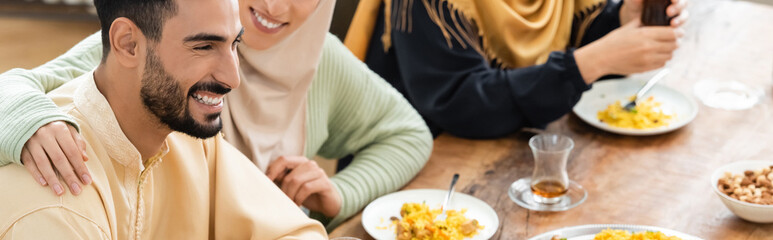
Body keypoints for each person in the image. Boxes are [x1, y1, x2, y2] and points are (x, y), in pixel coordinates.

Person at [0, 0, 432, 230]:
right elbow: (25, 83)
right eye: (205, 46)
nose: (275, 6)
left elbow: (409, 134)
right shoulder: (146, 47)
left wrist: (341, 193)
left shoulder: (321, 61)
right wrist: (28, 116)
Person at [344, 0, 688, 138]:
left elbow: (572, 43)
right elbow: (462, 105)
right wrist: (591, 62)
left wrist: (619, 23)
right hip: (422, 170)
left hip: (524, 154)